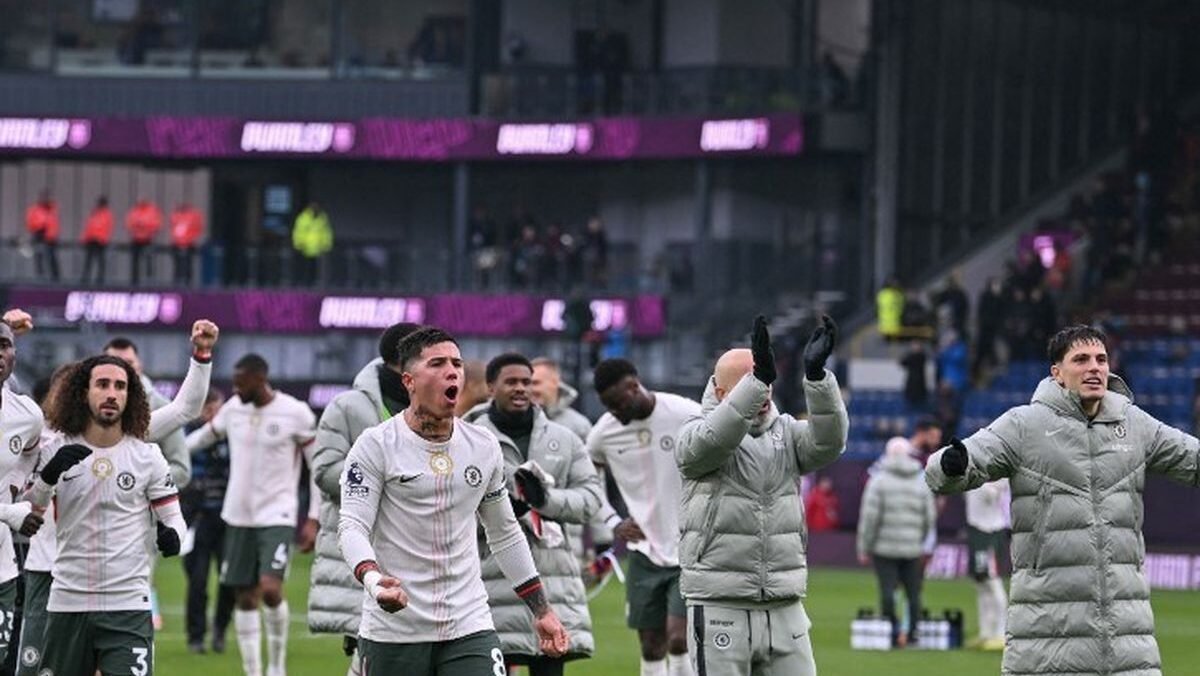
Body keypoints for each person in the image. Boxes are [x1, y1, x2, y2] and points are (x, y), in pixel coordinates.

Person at [926, 324, 1200, 675]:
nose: (1095, 368)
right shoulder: (1024, 425)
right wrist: (951, 464)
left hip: (1128, 644)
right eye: (1081, 359)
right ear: (1056, 372)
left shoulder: (1134, 424)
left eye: (1101, 359)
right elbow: (948, 470)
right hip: (1047, 641)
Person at [337, 326, 570, 672]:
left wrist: (542, 610)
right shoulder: (375, 445)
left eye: (457, 363)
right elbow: (352, 526)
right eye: (436, 363)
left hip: (469, 626)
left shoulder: (482, 446)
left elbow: (504, 532)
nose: (451, 371)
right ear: (409, 381)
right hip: (394, 630)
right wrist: (374, 581)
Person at [675, 315, 847, 676]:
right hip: (720, 602)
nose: (763, 389)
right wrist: (755, 383)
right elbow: (711, 443)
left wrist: (817, 380)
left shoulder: (786, 433)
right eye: (752, 381)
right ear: (722, 393)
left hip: (785, 603)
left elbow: (829, 444)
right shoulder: (694, 433)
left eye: (767, 378)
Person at [28, 355, 187, 675]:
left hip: (128, 605)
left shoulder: (148, 456)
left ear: (131, 397)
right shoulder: (56, 449)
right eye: (102, 385)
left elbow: (174, 519)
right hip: (68, 603)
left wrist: (173, 538)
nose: (112, 393)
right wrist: (47, 478)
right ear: (83, 392)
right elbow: (31, 513)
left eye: (120, 386)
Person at [467, 353, 603, 674]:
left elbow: (591, 498)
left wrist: (545, 500)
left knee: (549, 668)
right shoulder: (468, 437)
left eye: (526, 382)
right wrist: (496, 511)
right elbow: (450, 504)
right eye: (511, 382)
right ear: (490, 387)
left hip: (553, 580)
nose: (520, 389)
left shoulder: (564, 439)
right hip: (492, 580)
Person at [185, 354, 318, 676]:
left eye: (241, 383)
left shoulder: (295, 413)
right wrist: (164, 453)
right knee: (244, 597)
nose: (235, 389)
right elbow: (202, 439)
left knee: (270, 589)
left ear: (260, 379)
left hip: (278, 514)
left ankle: (276, 666)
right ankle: (253, 671)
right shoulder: (233, 409)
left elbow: (317, 468)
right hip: (238, 516)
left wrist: (313, 517)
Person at [309, 322, 419, 676]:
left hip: (418, 548)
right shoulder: (347, 406)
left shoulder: (435, 406)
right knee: (371, 649)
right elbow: (325, 471)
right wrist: (389, 481)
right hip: (365, 545)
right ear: (402, 361)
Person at [586, 358, 702, 676]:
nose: (615, 413)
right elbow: (587, 482)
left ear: (634, 387)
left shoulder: (684, 413)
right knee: (651, 644)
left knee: (679, 638)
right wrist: (612, 521)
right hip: (644, 552)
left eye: (619, 404)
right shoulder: (603, 434)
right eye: (608, 407)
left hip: (690, 546)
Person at [856, 438, 936, 647]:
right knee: (913, 593)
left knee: (888, 592)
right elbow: (930, 517)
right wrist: (918, 538)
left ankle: (891, 630)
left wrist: (864, 547)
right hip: (912, 548)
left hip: (884, 549)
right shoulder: (921, 480)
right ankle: (913, 634)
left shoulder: (878, 480)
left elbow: (869, 518)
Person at [0, 322, 47, 666]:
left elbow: (31, 452)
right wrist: (8, 512)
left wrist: (15, 485)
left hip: (2, 567)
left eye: (4, 345)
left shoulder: (27, 415)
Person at [181, 388, 235, 655]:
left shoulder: (234, 437)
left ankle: (220, 631)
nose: (212, 415)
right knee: (198, 582)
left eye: (216, 408)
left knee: (229, 581)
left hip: (228, 520)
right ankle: (196, 637)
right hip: (199, 520)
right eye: (207, 409)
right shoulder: (188, 436)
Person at [964, 478, 1009, 651]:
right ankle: (986, 633)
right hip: (976, 529)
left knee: (993, 581)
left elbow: (998, 488)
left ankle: (1000, 633)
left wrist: (988, 487)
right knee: (980, 582)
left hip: (990, 530)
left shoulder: (995, 475)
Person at [529, 357, 592, 442]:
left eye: (536, 383)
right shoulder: (516, 421)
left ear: (555, 382)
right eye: (528, 383)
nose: (531, 389)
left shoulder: (579, 426)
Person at [292, 202, 333, 286]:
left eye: (317, 207)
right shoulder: (303, 218)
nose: (315, 209)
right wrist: (298, 243)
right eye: (313, 207)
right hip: (305, 248)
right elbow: (298, 232)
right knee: (304, 267)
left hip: (318, 248)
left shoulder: (323, 218)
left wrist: (326, 244)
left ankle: (314, 282)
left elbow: (326, 233)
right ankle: (303, 282)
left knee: (316, 268)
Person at [24, 190, 60, 282]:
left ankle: (55, 278)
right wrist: (39, 228)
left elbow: (54, 224)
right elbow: (30, 223)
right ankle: (40, 276)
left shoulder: (52, 210)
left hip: (50, 238)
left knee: (52, 258)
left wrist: (52, 234)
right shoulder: (34, 210)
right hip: (39, 236)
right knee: (39, 256)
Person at [126, 198, 163, 286]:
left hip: (148, 239)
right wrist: (137, 227)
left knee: (149, 260)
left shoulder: (152, 211)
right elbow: (129, 223)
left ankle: (149, 279)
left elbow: (156, 224)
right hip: (136, 239)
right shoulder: (134, 211)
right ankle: (134, 281)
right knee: (135, 260)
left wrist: (144, 226)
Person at [81, 196, 114, 285]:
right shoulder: (94, 213)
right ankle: (85, 279)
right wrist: (85, 239)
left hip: (100, 241)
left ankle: (100, 280)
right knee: (89, 261)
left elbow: (107, 228)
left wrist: (103, 239)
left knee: (100, 261)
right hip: (91, 240)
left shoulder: (107, 214)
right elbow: (89, 226)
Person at [171, 201, 205, 285]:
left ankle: (188, 281)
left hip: (189, 243)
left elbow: (197, 228)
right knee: (177, 264)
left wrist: (189, 239)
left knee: (188, 264)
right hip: (177, 243)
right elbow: (174, 228)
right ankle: (177, 280)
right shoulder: (176, 215)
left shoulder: (193, 216)